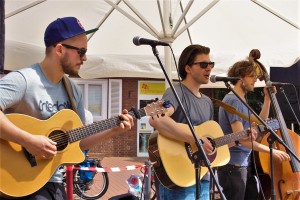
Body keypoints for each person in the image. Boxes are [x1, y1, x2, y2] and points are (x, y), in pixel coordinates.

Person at [0, 17, 134, 200]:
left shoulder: (73, 91)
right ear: (60, 49)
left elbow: (77, 141)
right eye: (81, 51)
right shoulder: (24, 80)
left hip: (52, 181)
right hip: (18, 179)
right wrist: (28, 140)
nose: (85, 58)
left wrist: (113, 130)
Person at [148, 44, 256, 200]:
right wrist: (196, 140)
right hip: (178, 177)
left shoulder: (207, 102)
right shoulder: (173, 92)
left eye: (210, 64)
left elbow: (211, 144)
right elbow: (156, 118)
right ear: (188, 68)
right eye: (203, 64)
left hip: (203, 177)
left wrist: (239, 139)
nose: (209, 68)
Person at [217, 54, 290, 200]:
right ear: (240, 78)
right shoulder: (233, 100)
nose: (255, 80)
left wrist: (267, 99)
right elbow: (242, 139)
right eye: (251, 76)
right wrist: (271, 152)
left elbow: (260, 123)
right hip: (233, 166)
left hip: (243, 164)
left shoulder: (241, 100)